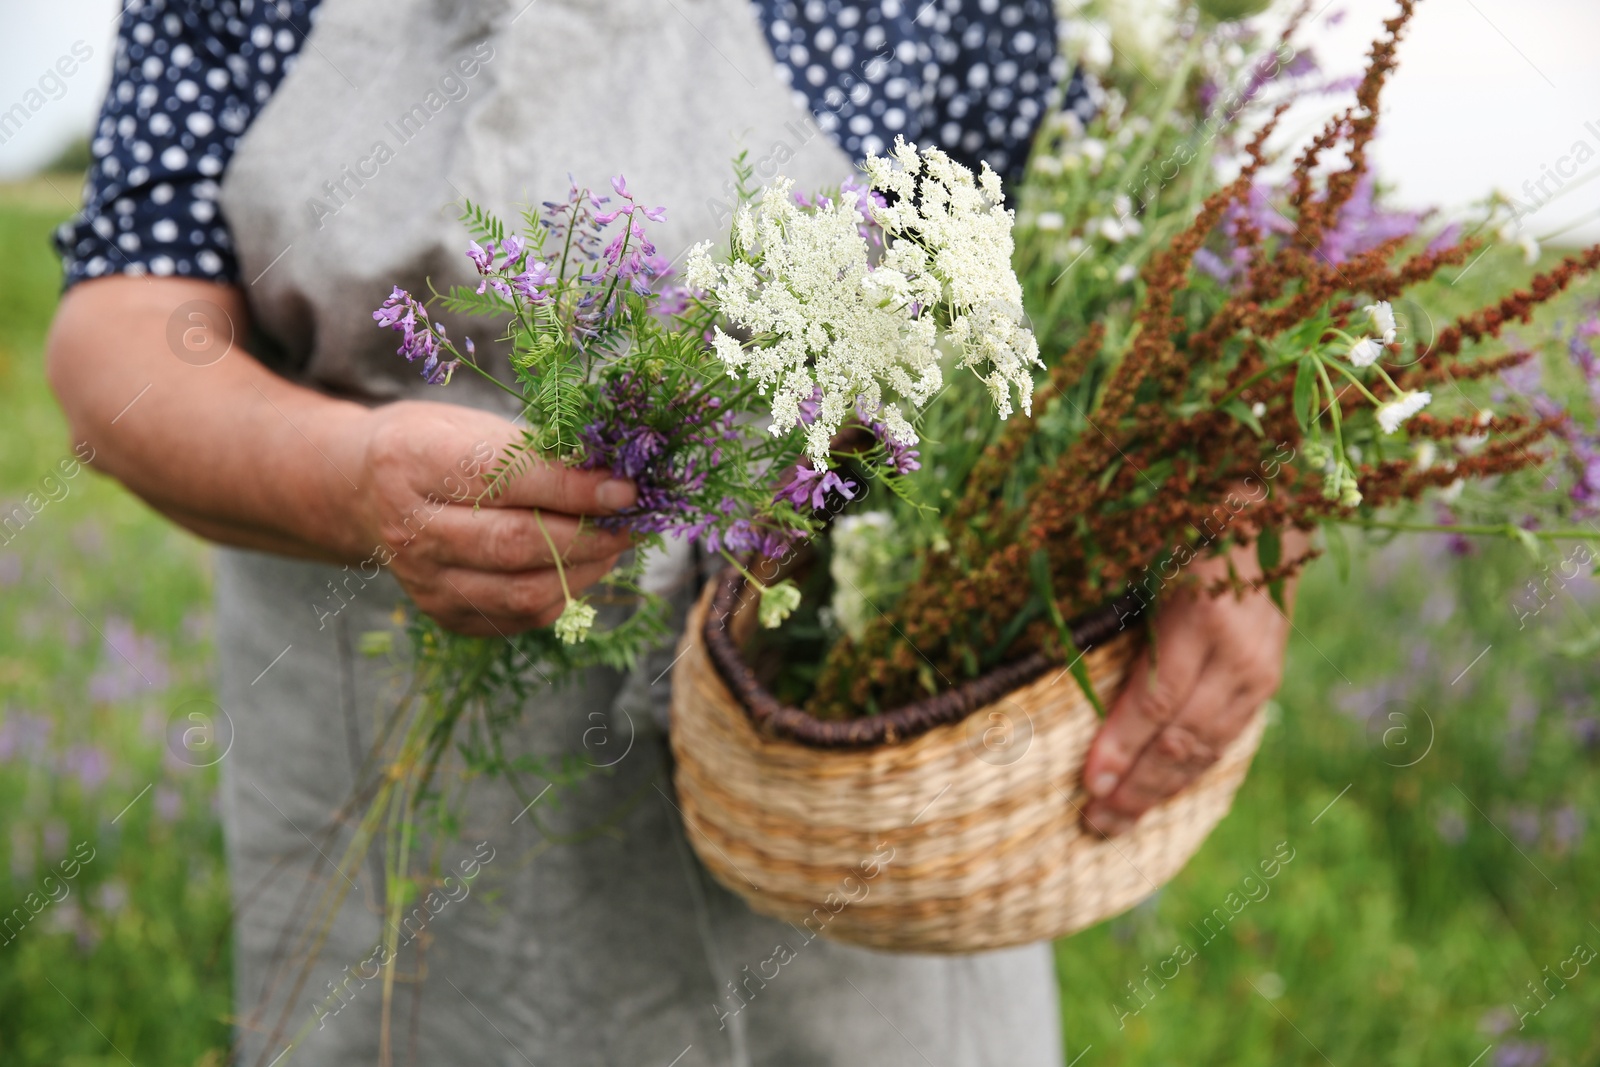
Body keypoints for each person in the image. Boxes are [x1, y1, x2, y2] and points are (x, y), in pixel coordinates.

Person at [45, 1, 1294, 1064]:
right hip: (397, 757)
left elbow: (1108, 256)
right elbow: (124, 327)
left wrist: (1219, 503)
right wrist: (350, 483)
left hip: (838, 770)